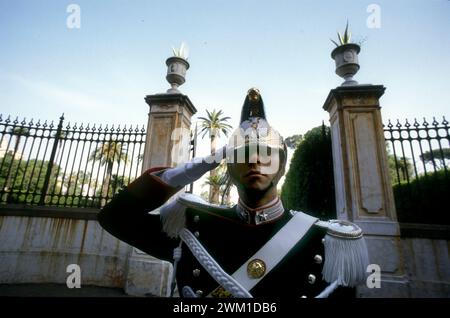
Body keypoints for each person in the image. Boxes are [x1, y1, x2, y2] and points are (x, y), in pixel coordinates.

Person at [98, 88, 369, 298]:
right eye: (243, 154)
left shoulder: (326, 241)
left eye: (267, 153)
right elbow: (116, 219)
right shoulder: (193, 226)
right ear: (227, 166)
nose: (255, 161)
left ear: (282, 166)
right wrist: (187, 171)